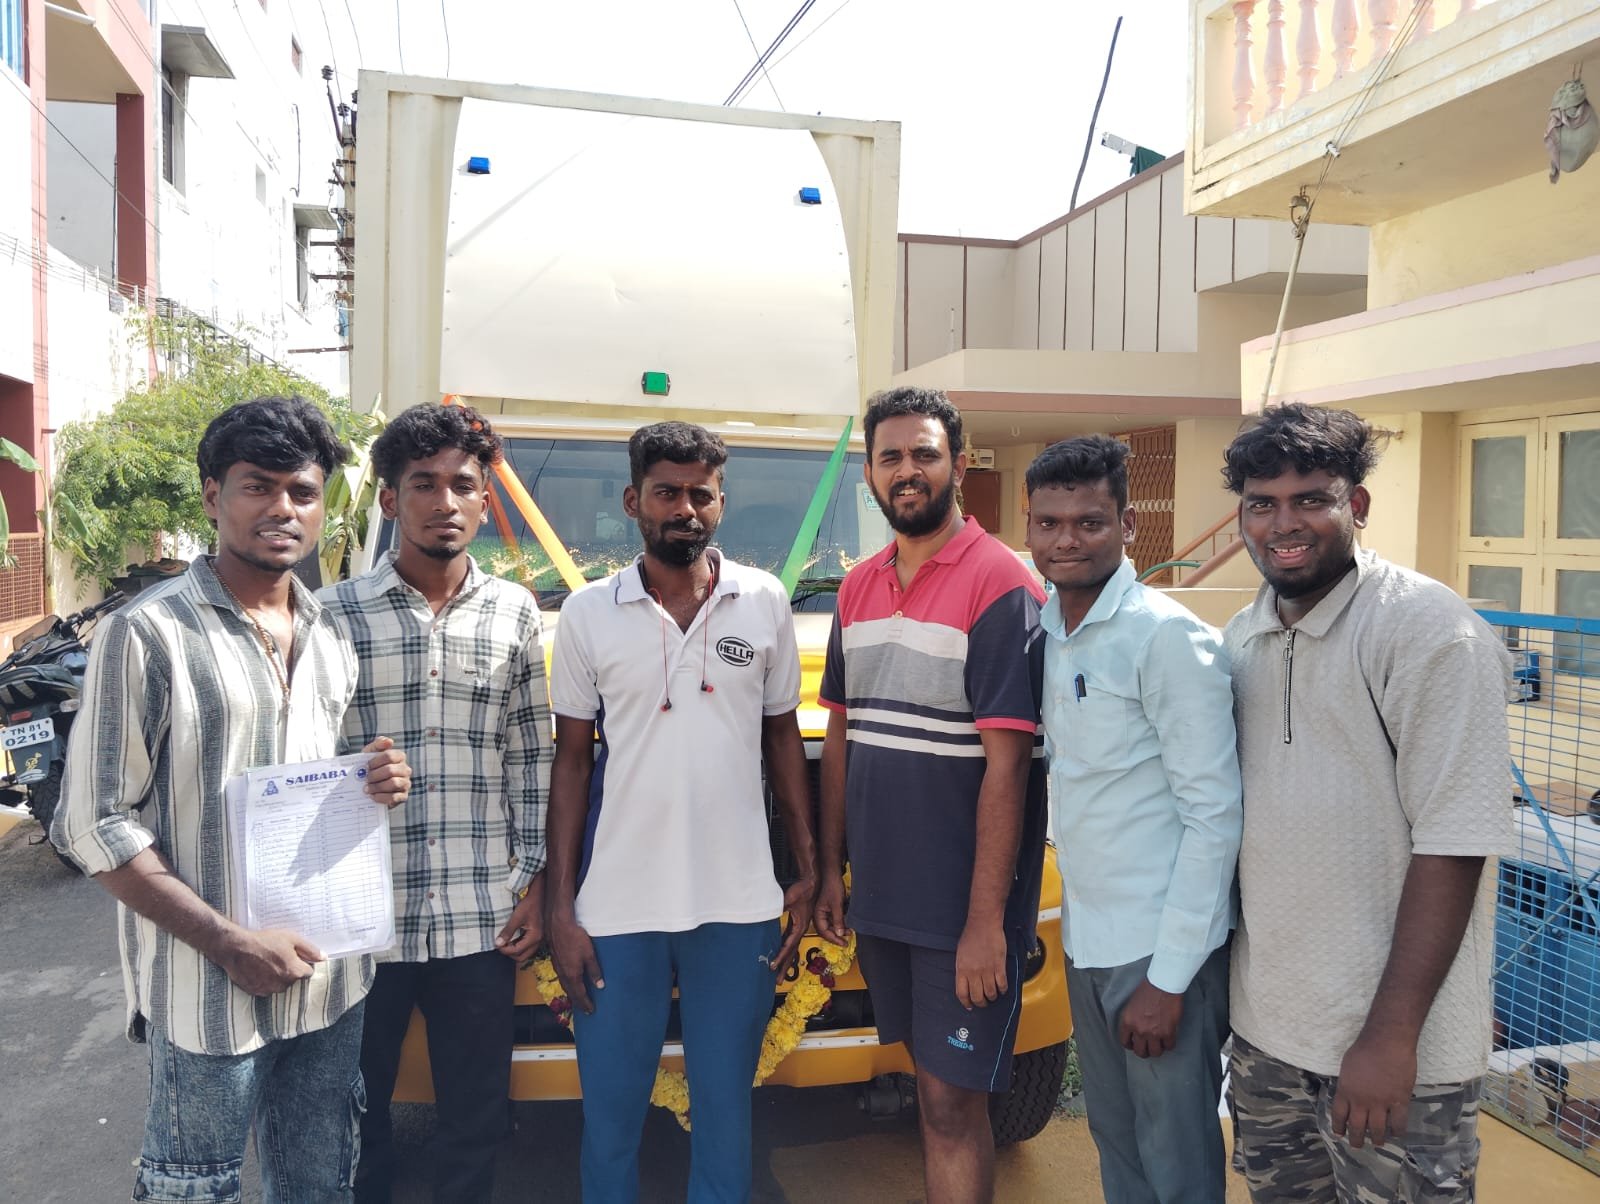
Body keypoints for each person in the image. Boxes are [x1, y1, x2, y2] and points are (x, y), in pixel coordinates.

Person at [51, 395, 412, 1204]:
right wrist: (228, 942)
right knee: (195, 1188)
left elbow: (317, 776)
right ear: (213, 495)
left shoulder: (329, 633)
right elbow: (92, 823)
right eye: (259, 486)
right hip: (206, 993)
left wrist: (374, 781)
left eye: (303, 491)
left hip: (329, 986)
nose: (283, 508)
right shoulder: (148, 632)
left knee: (319, 1185)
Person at [1221, 403, 1511, 1203]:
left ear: (1357, 503)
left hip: (1398, 1056)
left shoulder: (1429, 632)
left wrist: (1389, 1038)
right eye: (1261, 503)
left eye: (1311, 499)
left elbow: (1454, 842)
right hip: (1270, 1041)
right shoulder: (1242, 637)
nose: (1284, 523)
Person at [544, 420, 817, 1203]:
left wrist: (806, 869)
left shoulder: (763, 600)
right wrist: (561, 908)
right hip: (616, 911)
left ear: (722, 502)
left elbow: (782, 740)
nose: (685, 509)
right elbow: (572, 761)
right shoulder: (589, 613)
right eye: (667, 492)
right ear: (634, 500)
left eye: (702, 494)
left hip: (738, 906)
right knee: (611, 1121)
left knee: (726, 1117)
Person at [814, 386, 1048, 1204]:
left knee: (953, 1104)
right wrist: (832, 871)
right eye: (890, 457)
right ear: (870, 475)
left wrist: (985, 923)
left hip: (960, 909)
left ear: (959, 461)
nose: (907, 471)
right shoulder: (857, 586)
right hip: (883, 898)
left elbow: (1008, 768)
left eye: (924, 453)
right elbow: (841, 735)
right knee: (929, 1087)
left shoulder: (1001, 582)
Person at [319, 402, 551, 1203]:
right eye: (424, 483)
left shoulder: (515, 612)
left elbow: (530, 754)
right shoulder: (332, 615)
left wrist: (533, 882)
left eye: (463, 485)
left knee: (475, 1117)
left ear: (484, 501)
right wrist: (350, 774)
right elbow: (298, 756)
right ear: (390, 499)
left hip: (478, 916)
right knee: (353, 1113)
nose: (444, 502)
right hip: (361, 921)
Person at [1024, 435, 1241, 1204]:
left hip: (1158, 954)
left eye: (1089, 522)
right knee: (1118, 1147)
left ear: (1128, 525)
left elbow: (1214, 816)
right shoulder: (1050, 632)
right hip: (1089, 941)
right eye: (1049, 524)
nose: (1067, 540)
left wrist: (1169, 979)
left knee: (1176, 1163)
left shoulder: (1165, 637)